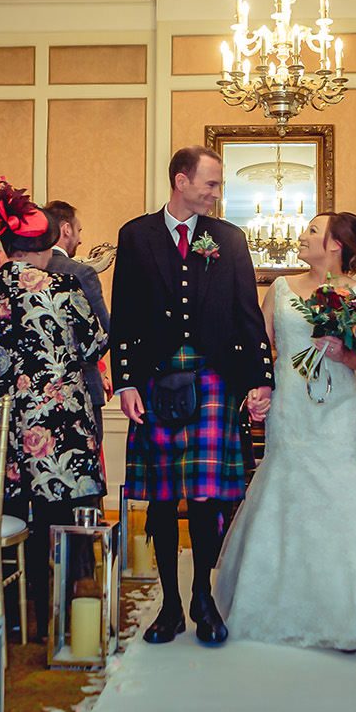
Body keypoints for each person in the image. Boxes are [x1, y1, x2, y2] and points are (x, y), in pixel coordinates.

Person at [214, 213, 356, 649]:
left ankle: (355, 601)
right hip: (290, 406)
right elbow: (261, 349)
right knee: (286, 485)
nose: (302, 236)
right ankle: (282, 598)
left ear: (335, 245)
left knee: (342, 486)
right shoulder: (280, 289)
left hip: (338, 406)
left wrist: (342, 352)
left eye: (312, 230)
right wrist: (257, 390)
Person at [111, 145, 274, 645]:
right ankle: (170, 606)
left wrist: (260, 378)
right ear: (181, 181)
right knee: (163, 496)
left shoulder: (229, 238)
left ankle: (203, 596)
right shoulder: (136, 235)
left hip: (214, 375)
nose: (217, 193)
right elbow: (124, 313)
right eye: (211, 183)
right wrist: (126, 381)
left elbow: (247, 312)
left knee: (206, 495)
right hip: (155, 377)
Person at [0, 186, 106, 638]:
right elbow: (94, 344)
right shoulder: (63, 287)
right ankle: (56, 621)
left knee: (9, 521)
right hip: (57, 427)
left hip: (1, 430)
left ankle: (10, 619)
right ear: (46, 246)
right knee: (59, 524)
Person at [45, 200, 111, 437]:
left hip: (37, 392)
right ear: (66, 229)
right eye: (79, 230)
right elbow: (105, 331)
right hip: (81, 387)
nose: (80, 239)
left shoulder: (30, 270)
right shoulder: (81, 272)